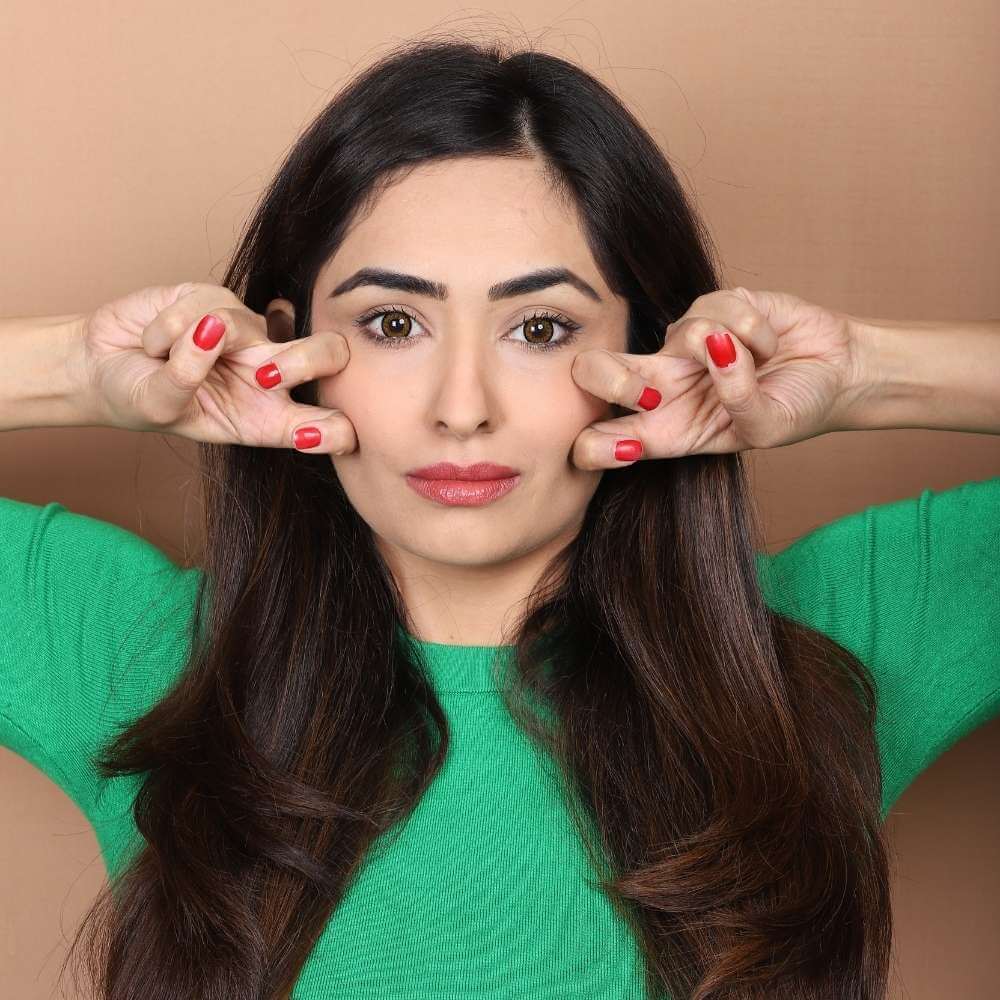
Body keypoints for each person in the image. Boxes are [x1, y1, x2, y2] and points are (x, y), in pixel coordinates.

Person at [1, 36, 998, 1000]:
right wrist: (75, 370)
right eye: (393, 324)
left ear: (648, 349)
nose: (462, 405)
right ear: (289, 349)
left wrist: (866, 372)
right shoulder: (136, 652)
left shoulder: (823, 649)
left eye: (540, 328)